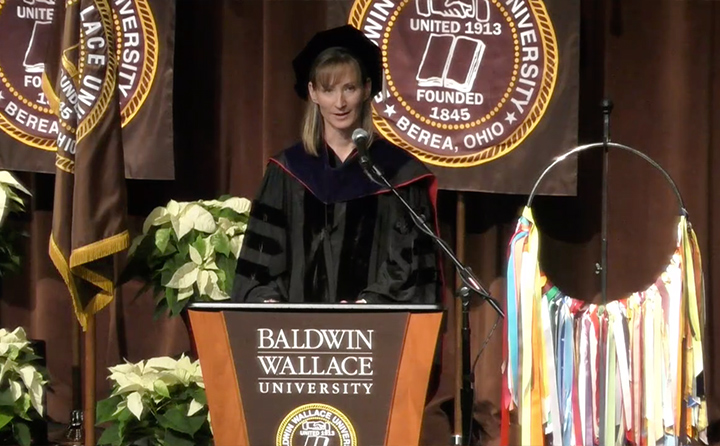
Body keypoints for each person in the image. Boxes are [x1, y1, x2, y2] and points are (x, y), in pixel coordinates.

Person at [232, 25, 442, 304]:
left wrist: (368, 305)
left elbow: (410, 266)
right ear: (313, 93)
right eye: (328, 90)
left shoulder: (396, 174)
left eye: (350, 88)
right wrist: (267, 299)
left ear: (366, 90)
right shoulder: (287, 172)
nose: (340, 102)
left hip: (372, 336)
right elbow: (259, 265)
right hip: (295, 337)